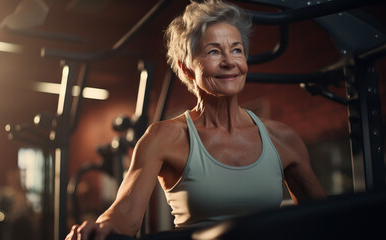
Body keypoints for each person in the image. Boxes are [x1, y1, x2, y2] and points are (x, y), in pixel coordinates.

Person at [66, 0, 326, 239]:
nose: (229, 62)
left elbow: (324, 218)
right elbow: (124, 215)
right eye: (214, 52)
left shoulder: (281, 137)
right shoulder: (164, 137)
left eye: (236, 50)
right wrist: (99, 228)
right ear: (186, 68)